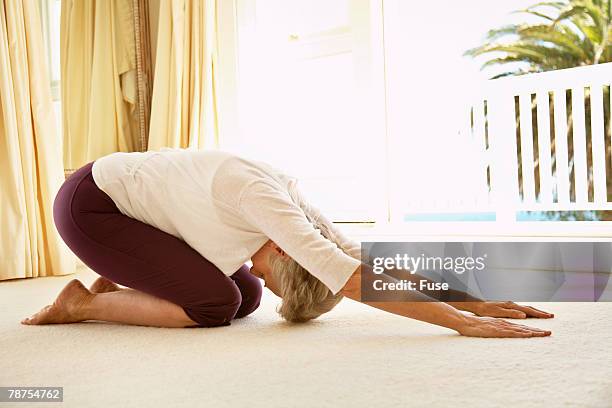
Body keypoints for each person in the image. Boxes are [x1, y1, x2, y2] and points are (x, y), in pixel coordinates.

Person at [22, 148, 553, 337]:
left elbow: (358, 256)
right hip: (91, 207)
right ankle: (82, 303)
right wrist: (461, 322)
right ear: (284, 251)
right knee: (216, 303)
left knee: (243, 300)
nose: (258, 276)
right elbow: (346, 275)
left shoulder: (291, 204)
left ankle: (120, 276)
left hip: (138, 218)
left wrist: (468, 295)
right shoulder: (263, 203)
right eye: (272, 276)